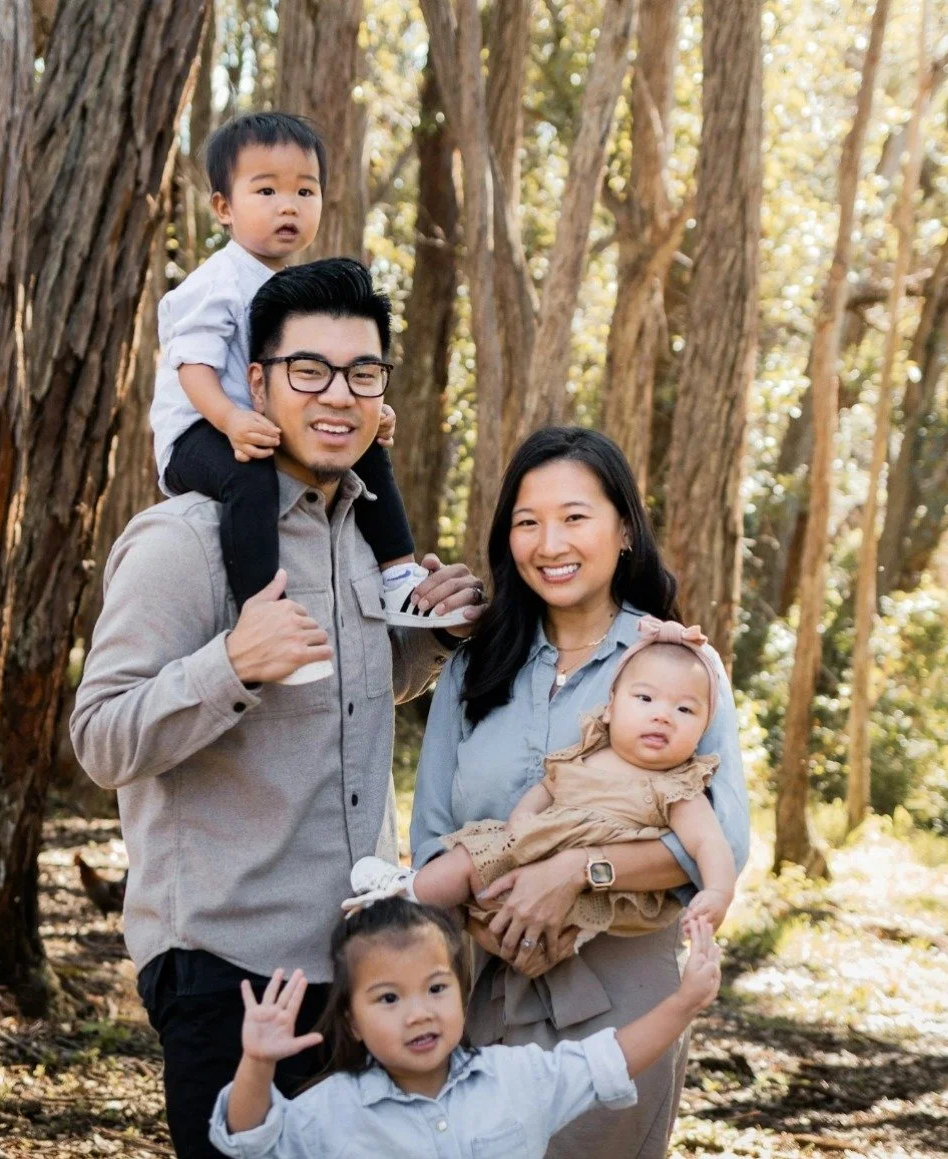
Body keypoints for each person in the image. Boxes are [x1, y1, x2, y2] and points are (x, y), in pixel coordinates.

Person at [71, 258, 485, 1159]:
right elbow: (98, 738)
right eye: (309, 370)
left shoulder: (365, 542)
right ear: (255, 383)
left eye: (362, 373)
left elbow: (350, 692)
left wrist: (435, 639)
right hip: (229, 974)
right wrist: (228, 664)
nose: (337, 396)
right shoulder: (184, 541)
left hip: (365, 963)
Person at [408, 426, 752, 1159]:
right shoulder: (473, 666)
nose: (549, 541)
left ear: (622, 528)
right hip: (478, 981)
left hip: (620, 994)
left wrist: (574, 871)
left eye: (574, 516)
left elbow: (720, 841)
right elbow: (432, 828)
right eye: (526, 521)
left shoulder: (677, 662)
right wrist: (483, 920)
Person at [148, 113, 458, 685]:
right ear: (223, 207)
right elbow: (190, 369)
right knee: (252, 477)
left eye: (304, 190)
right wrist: (231, 419)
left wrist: (367, 408)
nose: (287, 205)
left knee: (366, 457)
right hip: (198, 429)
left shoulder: (292, 290)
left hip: (253, 419)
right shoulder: (214, 284)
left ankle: (396, 573)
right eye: (265, 190)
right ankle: (263, 613)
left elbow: (320, 377)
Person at [206, 898, 725, 1159]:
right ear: (352, 1022)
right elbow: (248, 1144)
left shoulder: (516, 1078)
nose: (419, 1012)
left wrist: (685, 1002)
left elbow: (609, 1060)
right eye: (388, 998)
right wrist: (257, 1063)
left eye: (436, 989)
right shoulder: (332, 1111)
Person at [346, 617, 739, 944]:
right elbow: (547, 788)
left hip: (591, 902)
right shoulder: (589, 754)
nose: (663, 716)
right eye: (645, 700)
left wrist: (718, 893)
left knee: (536, 912)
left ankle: (406, 896)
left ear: (705, 726)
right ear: (611, 706)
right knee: (471, 857)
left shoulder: (677, 788)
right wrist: (519, 825)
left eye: (685, 709)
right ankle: (406, 893)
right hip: (528, 853)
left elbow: (712, 844)